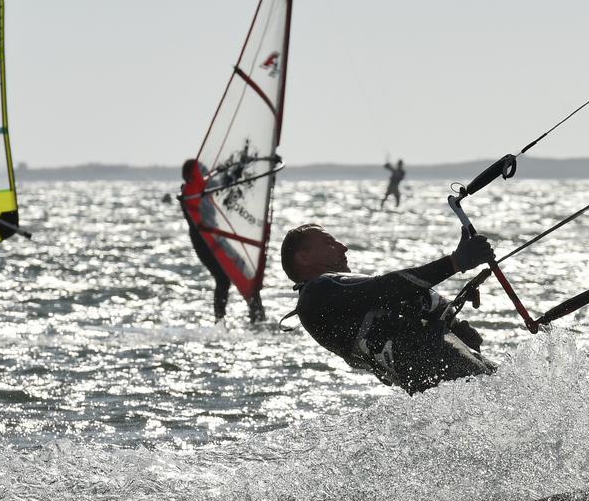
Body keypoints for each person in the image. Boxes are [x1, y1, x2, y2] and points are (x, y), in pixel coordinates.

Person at [281, 223, 497, 393]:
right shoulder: (317, 291)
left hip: (427, 370)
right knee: (501, 396)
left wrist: (454, 322)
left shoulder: (330, 297)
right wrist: (455, 262)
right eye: (329, 242)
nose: (342, 246)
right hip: (432, 358)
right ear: (304, 257)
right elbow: (388, 286)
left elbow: (400, 298)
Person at [180, 159, 265, 322]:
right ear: (193, 175)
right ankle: (220, 321)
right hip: (203, 242)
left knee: (245, 271)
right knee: (223, 279)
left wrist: (239, 166)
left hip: (216, 238)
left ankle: (255, 315)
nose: (206, 174)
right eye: (202, 171)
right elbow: (206, 188)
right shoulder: (190, 191)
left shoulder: (204, 188)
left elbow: (223, 182)